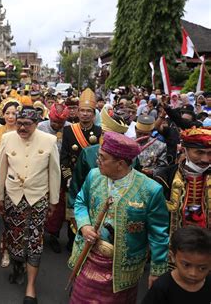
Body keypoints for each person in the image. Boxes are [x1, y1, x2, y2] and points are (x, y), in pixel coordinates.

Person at [68, 131, 169, 303]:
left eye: (102, 157)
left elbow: (159, 234)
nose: (97, 160)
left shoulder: (150, 190)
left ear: (120, 163)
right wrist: (84, 226)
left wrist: (157, 270)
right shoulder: (94, 175)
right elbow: (80, 201)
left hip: (123, 270)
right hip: (88, 258)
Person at [0, 106, 61, 304]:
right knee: (14, 237)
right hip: (13, 196)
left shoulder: (49, 140)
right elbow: (1, 169)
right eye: (19, 123)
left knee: (34, 240)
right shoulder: (7, 138)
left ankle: (30, 286)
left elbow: (54, 172)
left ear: (36, 123)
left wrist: (53, 202)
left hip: (38, 197)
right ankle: (18, 267)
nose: (22, 128)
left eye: (27, 124)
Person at [154, 127, 210, 265]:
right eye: (199, 152)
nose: (206, 159)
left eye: (210, 154)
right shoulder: (165, 177)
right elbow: (156, 220)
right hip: (173, 249)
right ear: (184, 149)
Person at [61, 88, 101, 250]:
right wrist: (68, 177)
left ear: (94, 113)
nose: (85, 114)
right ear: (77, 112)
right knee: (73, 212)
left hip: (91, 178)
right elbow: (64, 156)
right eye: (82, 111)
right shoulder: (69, 130)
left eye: (88, 111)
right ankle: (72, 241)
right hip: (74, 179)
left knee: (91, 212)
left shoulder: (99, 132)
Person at [142, 226, 211, 304]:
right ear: (172, 257)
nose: (193, 273)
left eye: (202, 268)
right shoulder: (162, 287)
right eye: (186, 265)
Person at [0, 98, 20, 267]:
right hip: (1, 177)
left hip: (19, 179)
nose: (10, 116)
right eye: (7, 113)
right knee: (6, 216)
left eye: (14, 113)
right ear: (2, 114)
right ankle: (5, 250)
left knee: (18, 216)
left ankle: (19, 249)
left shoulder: (23, 131)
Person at [38, 103, 70, 253]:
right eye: (54, 122)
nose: (57, 125)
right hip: (42, 171)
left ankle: (53, 235)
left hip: (62, 172)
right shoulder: (40, 127)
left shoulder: (70, 128)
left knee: (58, 206)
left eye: (60, 123)